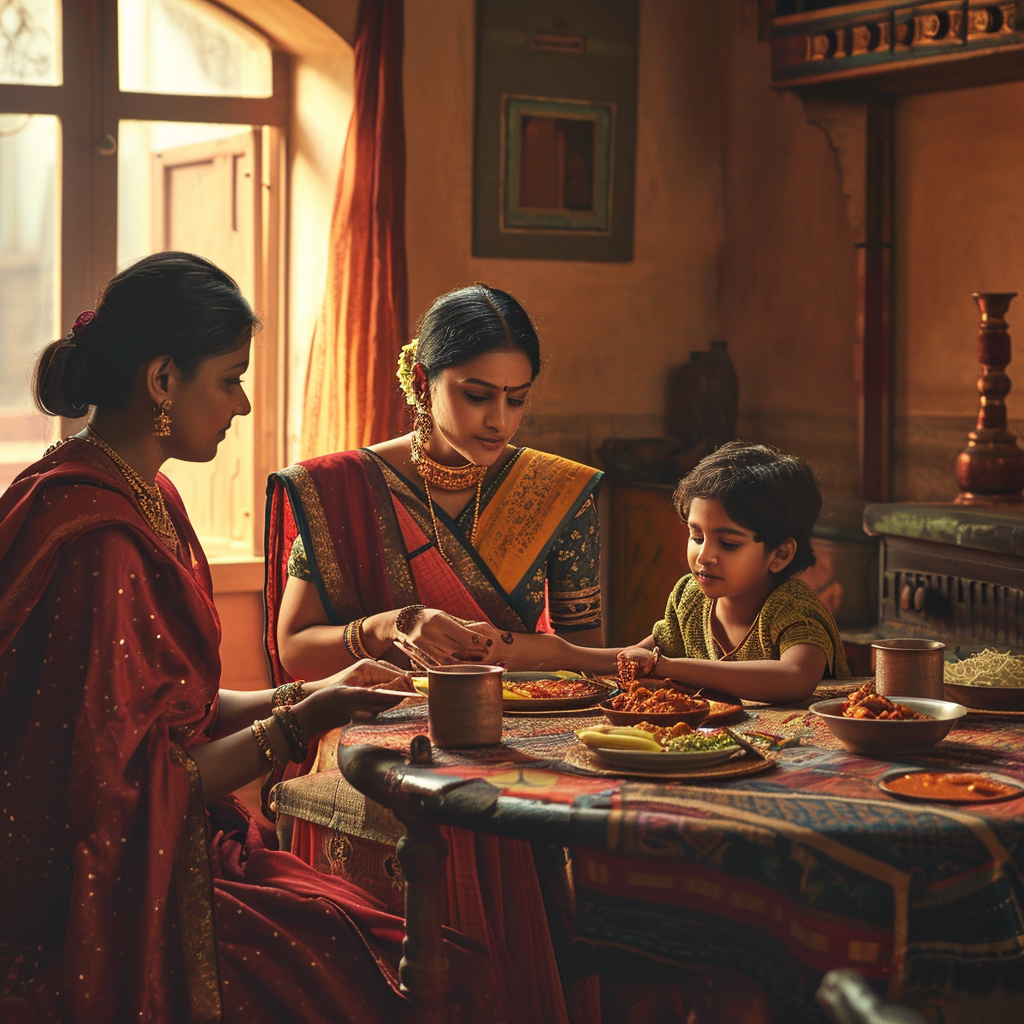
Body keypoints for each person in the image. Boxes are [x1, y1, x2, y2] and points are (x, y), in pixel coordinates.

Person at [0, 252, 493, 1023]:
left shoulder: (147, 495)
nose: (244, 402)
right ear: (163, 380)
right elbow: (130, 789)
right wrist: (303, 720)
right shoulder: (101, 540)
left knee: (431, 951)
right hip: (121, 887)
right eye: (230, 378)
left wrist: (315, 690)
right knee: (408, 970)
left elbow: (169, 708)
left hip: (177, 844)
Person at [267, 283, 605, 685]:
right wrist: (391, 625)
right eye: (477, 396)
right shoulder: (343, 489)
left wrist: (507, 647)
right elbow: (295, 651)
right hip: (378, 718)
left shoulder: (554, 490)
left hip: (520, 719)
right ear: (423, 383)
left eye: (516, 399)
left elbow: (588, 661)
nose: (500, 421)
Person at [573, 441, 850, 702]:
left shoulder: (792, 609)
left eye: (728, 544)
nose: (704, 556)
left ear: (780, 554)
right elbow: (636, 658)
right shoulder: (691, 598)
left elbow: (796, 678)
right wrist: (565, 656)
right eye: (696, 537)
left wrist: (668, 666)